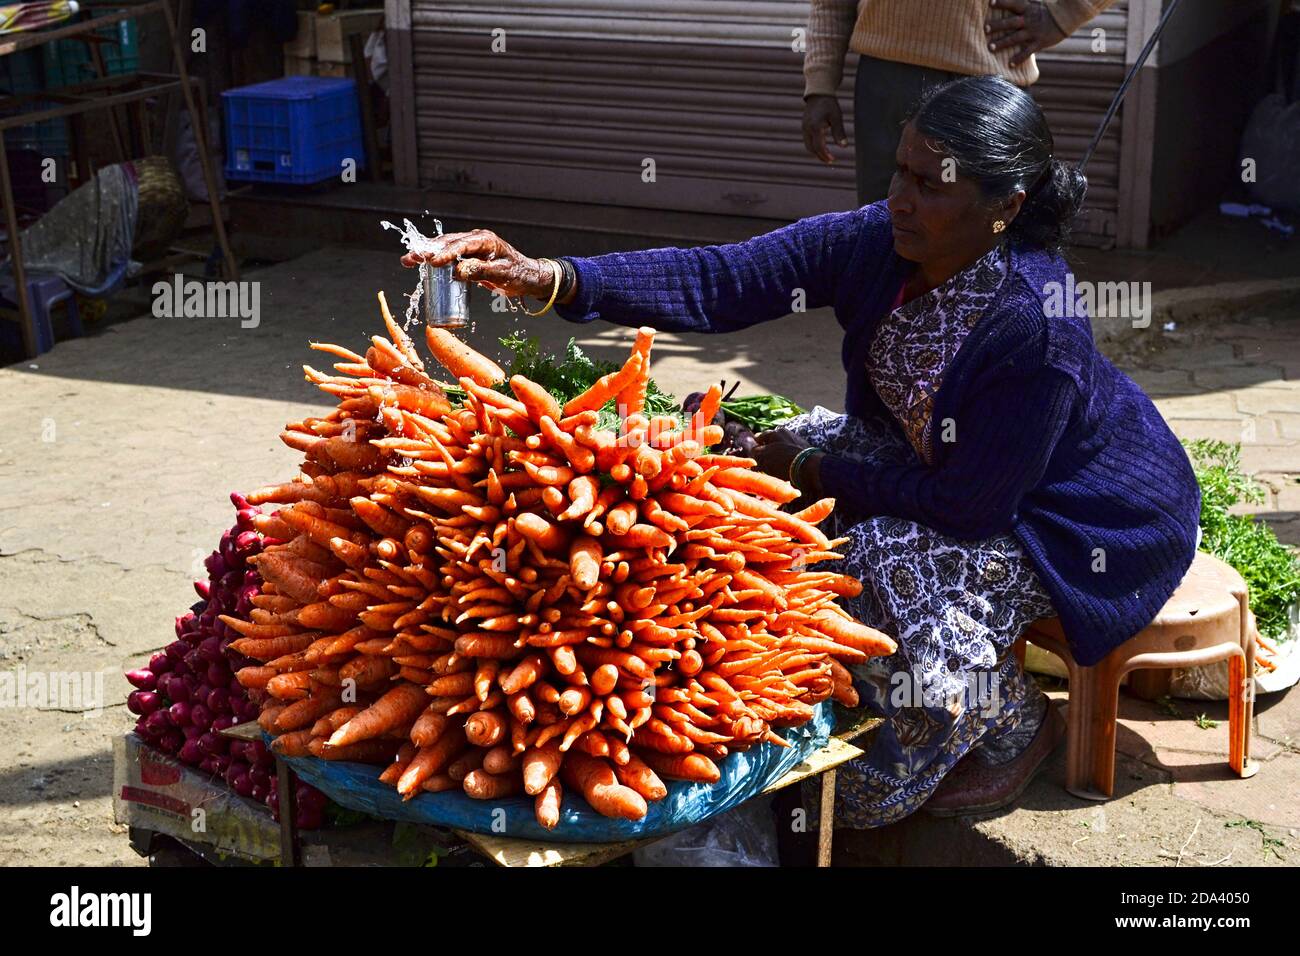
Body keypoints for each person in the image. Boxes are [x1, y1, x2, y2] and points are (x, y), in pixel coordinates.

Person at [400, 76, 1201, 824]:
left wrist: (817, 472)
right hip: (934, 461)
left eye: (930, 184)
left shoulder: (1038, 326)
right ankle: (799, 678)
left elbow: (973, 507)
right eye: (899, 171)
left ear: (1004, 207)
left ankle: (1008, 721)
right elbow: (724, 277)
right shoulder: (879, 242)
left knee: (884, 556)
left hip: (1076, 518)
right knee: (730, 460)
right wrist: (547, 277)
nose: (899, 199)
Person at [803, 0, 1116, 204]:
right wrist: (820, 84)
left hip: (988, 86)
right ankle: (890, 309)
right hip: (887, 82)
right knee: (887, 229)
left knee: (986, 232)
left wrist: (1063, 15)